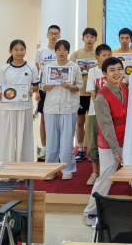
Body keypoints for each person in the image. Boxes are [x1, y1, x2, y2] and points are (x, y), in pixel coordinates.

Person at [83, 57, 128, 226]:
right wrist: (116, 149)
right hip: (110, 145)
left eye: (119, 69)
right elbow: (106, 126)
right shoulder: (102, 97)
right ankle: (90, 212)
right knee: (105, 179)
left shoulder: (124, 88)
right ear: (104, 74)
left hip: (126, 141)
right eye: (112, 70)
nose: (117, 73)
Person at [38, 40, 83, 180]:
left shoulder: (74, 67)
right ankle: (51, 170)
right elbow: (43, 87)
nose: (61, 52)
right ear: (55, 51)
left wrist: (69, 86)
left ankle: (67, 169)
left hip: (68, 107)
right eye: (59, 49)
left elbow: (79, 86)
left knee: (67, 140)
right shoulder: (48, 67)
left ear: (68, 51)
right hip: (51, 107)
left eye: (64, 49)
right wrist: (52, 83)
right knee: (51, 139)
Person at [0, 40, 39, 163]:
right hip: (7, 108)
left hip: (25, 107)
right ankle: (5, 166)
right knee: (6, 139)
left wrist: (32, 90)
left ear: (25, 50)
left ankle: (24, 167)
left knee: (25, 139)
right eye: (16, 50)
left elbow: (36, 86)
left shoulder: (31, 67)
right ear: (11, 51)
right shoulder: (4, 68)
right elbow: (0, 88)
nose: (19, 52)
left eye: (22, 49)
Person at [84, 44, 112, 186]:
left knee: (109, 142)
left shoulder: (113, 70)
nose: (107, 58)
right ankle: (95, 172)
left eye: (109, 55)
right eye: (104, 55)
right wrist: (101, 108)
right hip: (95, 112)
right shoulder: (93, 72)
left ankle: (109, 173)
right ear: (97, 57)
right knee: (93, 142)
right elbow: (93, 93)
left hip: (111, 113)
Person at [70, 27, 98, 162]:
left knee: (95, 123)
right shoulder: (76, 54)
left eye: (92, 37)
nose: (89, 39)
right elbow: (70, 71)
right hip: (80, 93)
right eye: (87, 37)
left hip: (95, 93)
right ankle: (80, 149)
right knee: (80, 121)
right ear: (83, 38)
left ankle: (95, 149)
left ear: (95, 39)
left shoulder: (98, 54)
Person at [35, 24, 61, 160]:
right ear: (47, 35)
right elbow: (36, 71)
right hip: (44, 89)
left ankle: (58, 149)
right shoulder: (41, 52)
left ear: (59, 35)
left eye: (56, 34)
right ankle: (45, 148)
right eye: (51, 33)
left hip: (59, 90)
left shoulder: (61, 51)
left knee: (58, 121)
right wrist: (36, 91)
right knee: (44, 120)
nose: (53, 36)